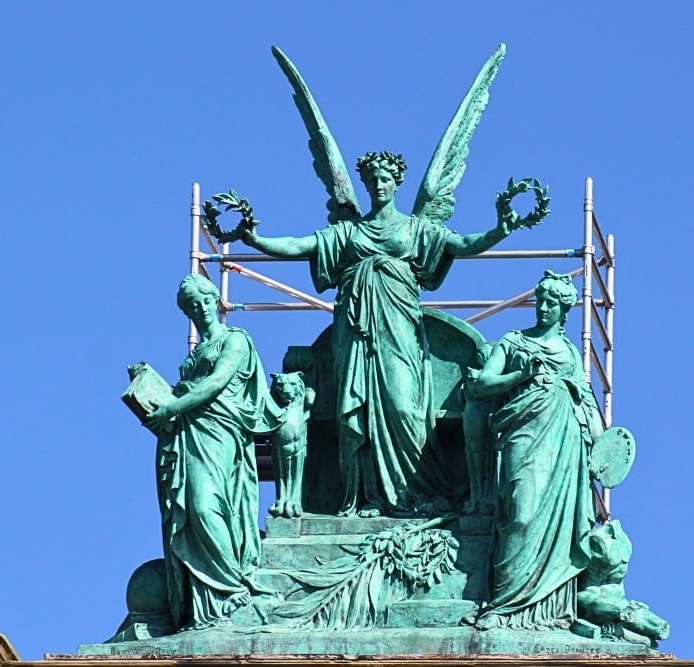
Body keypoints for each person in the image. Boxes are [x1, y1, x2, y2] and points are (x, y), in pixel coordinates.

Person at [239, 151, 515, 517]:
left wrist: (500, 230)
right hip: (355, 332)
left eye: (385, 179)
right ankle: (367, 497)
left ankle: (415, 493)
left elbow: (463, 245)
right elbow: (298, 245)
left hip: (399, 331)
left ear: (397, 182)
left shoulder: (416, 229)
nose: (378, 185)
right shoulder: (349, 232)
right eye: (372, 180)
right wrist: (255, 239)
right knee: (356, 414)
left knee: (403, 407)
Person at [472, 270, 604, 630]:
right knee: (521, 511)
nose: (543, 308)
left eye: (551, 303)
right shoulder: (513, 341)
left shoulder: (571, 353)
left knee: (559, 525)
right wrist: (521, 375)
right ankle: (503, 604)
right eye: (540, 301)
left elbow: (586, 401)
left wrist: (602, 448)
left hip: (565, 439)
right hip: (523, 432)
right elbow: (483, 384)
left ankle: (549, 609)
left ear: (564, 311)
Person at [144, 274, 278, 630]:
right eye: (191, 305)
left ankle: (232, 589)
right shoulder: (195, 353)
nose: (200, 308)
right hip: (188, 435)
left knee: (205, 506)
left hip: (220, 433)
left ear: (215, 300)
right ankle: (206, 603)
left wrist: (173, 407)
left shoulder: (235, 340)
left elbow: (217, 382)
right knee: (189, 513)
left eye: (203, 300)